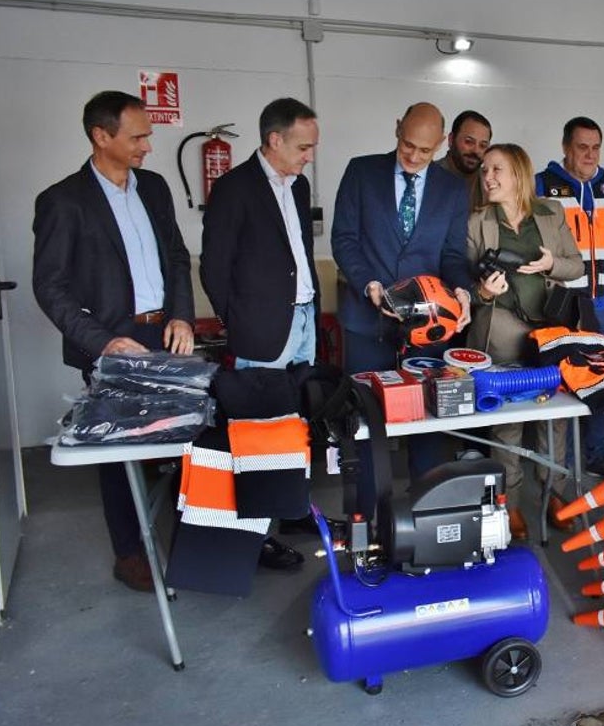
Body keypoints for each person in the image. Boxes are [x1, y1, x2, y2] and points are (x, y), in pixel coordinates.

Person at [32, 91, 195, 592]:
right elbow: (50, 286)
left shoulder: (155, 187)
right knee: (119, 451)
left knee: (181, 438)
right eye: (138, 136)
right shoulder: (64, 200)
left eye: (148, 134)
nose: (148, 145)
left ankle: (191, 539)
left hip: (165, 333)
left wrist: (184, 317)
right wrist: (103, 343)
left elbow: (177, 257)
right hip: (113, 343)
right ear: (101, 137)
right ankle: (130, 553)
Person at [200, 97, 322, 568]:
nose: (308, 154)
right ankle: (256, 537)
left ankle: (291, 510)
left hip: (304, 318)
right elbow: (214, 267)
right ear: (274, 140)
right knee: (259, 436)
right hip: (263, 328)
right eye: (303, 146)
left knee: (295, 424)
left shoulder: (298, 184)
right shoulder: (235, 188)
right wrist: (240, 319)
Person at [331, 101, 473, 480]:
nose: (412, 155)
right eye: (407, 144)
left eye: (424, 150)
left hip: (429, 322)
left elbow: (454, 255)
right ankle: (366, 510)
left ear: (442, 143)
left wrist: (462, 290)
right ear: (397, 128)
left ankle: (423, 503)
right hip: (366, 320)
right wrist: (368, 284)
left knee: (428, 419)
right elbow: (344, 240)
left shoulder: (453, 189)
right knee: (364, 419)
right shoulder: (362, 172)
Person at [467, 144, 584, 540]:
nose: (488, 177)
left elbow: (576, 264)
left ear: (519, 173)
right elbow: (463, 282)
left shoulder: (551, 214)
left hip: (549, 333)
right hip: (500, 333)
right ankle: (511, 506)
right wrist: (483, 290)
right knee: (507, 425)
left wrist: (552, 263)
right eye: (485, 170)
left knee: (556, 419)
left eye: (497, 169)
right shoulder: (477, 221)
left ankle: (555, 494)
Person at [535, 116, 604, 477]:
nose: (589, 155)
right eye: (581, 147)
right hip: (563, 302)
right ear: (565, 147)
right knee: (564, 382)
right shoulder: (543, 184)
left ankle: (597, 452)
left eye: (595, 147)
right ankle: (561, 460)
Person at [436, 110, 492, 181]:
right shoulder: (427, 176)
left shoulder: (489, 181)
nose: (476, 150)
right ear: (451, 139)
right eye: (469, 142)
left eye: (483, 145)